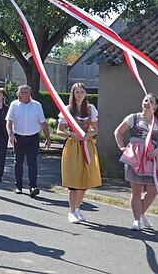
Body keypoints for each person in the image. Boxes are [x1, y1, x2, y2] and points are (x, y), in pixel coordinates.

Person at [114, 94, 158, 231]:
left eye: (151, 101)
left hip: (152, 157)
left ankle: (141, 213)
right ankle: (137, 219)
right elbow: (118, 132)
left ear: (156, 106)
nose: (148, 103)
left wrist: (156, 152)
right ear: (142, 103)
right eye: (146, 100)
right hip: (135, 156)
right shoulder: (133, 118)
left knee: (152, 191)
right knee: (136, 190)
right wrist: (122, 148)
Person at [57, 83, 102, 223]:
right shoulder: (67, 109)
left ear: (85, 94)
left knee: (84, 179)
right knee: (74, 180)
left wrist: (88, 134)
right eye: (77, 92)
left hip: (87, 146)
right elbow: (59, 131)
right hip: (72, 147)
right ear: (73, 94)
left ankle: (77, 208)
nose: (80, 94)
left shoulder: (90, 109)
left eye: (82, 92)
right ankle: (71, 211)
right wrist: (71, 134)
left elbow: (95, 129)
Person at [6, 85, 51, 197]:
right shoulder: (14, 105)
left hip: (32, 138)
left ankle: (33, 186)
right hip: (18, 137)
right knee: (18, 163)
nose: (18, 94)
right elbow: (9, 121)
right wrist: (10, 133)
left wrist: (48, 138)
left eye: (21, 92)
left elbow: (43, 123)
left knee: (32, 163)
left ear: (27, 93)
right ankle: (18, 186)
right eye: (18, 92)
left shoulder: (37, 105)